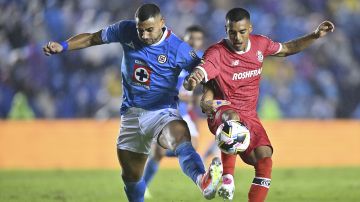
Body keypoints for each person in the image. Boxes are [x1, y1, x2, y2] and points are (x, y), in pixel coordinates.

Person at [43, 4, 223, 202]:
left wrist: (207, 97)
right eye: (141, 29)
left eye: (149, 30)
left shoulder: (178, 48)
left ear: (162, 23)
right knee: (131, 178)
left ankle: (202, 180)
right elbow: (92, 38)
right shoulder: (125, 30)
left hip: (162, 112)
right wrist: (64, 46)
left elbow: (207, 74)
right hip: (131, 116)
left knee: (180, 137)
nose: (144, 35)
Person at [184, 8, 335, 201]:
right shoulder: (217, 52)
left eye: (242, 31)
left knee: (265, 160)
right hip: (223, 109)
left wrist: (315, 35)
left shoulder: (260, 44)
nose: (237, 37)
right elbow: (202, 73)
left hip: (249, 115)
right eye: (232, 32)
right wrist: (194, 81)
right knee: (233, 118)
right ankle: (228, 179)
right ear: (226, 30)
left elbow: (287, 48)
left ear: (250, 29)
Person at [142, 25, 206, 198]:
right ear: (183, 40)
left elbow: (205, 85)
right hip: (165, 111)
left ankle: (204, 179)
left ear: (202, 42)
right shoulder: (174, 57)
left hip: (183, 112)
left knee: (192, 145)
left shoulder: (202, 61)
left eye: (198, 39)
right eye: (190, 38)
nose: (194, 41)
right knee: (167, 150)